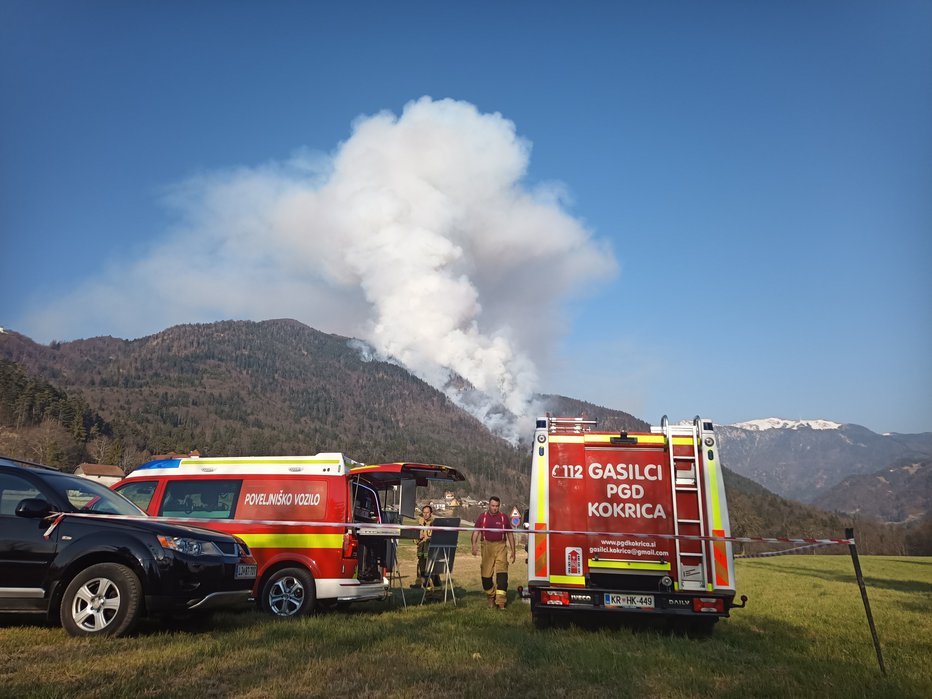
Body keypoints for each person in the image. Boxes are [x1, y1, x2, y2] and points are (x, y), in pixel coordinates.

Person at [471, 496, 515, 609]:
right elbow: (476, 532)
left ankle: (501, 603)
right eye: (493, 506)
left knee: (502, 576)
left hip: (501, 546)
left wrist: (513, 551)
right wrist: (474, 545)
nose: (495, 508)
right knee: (486, 577)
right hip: (486, 546)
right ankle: (491, 595)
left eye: (497, 506)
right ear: (489, 505)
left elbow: (510, 534)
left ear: (499, 506)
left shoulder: (503, 517)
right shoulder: (482, 517)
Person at [411, 505, 441, 590]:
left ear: (431, 513)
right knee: (422, 571)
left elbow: (438, 537)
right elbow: (415, 539)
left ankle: (438, 591)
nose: (425, 514)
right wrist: (417, 537)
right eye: (424, 512)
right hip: (421, 551)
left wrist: (429, 538)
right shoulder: (420, 523)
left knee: (433, 572)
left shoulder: (435, 523)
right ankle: (426, 590)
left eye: (427, 512)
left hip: (431, 552)